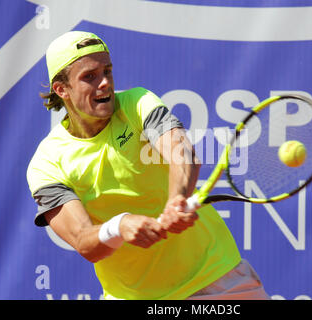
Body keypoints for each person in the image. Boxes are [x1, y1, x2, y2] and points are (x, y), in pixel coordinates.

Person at [26, 31, 269, 300]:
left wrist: (176, 201)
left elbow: (182, 153)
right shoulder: (46, 164)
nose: (105, 83)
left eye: (107, 71)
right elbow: (84, 241)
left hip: (215, 280)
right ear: (62, 90)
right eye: (90, 76)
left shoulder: (137, 103)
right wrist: (120, 225)